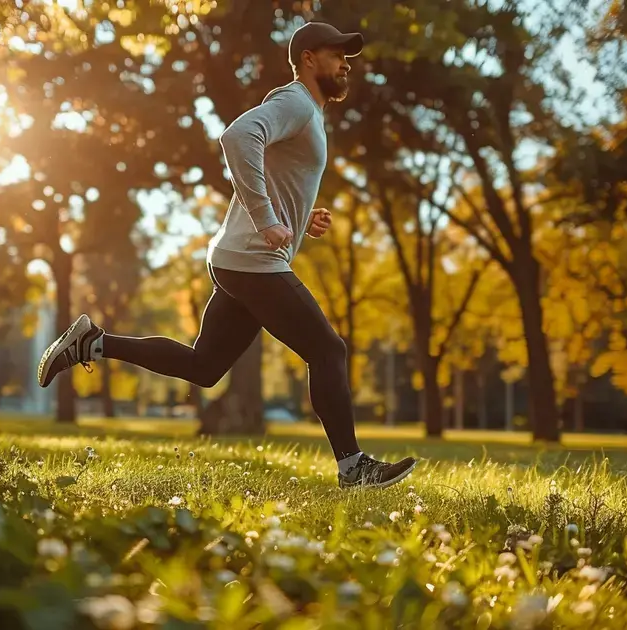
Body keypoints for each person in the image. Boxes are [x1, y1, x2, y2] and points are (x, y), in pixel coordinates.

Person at [37, 21, 417, 490]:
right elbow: (237, 138)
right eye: (336, 53)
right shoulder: (295, 100)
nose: (346, 62)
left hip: (239, 258)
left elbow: (276, 173)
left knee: (204, 367)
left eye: (348, 56)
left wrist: (299, 218)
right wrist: (265, 218)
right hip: (253, 260)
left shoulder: (310, 113)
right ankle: (353, 466)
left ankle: (92, 342)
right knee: (328, 349)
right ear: (308, 58)